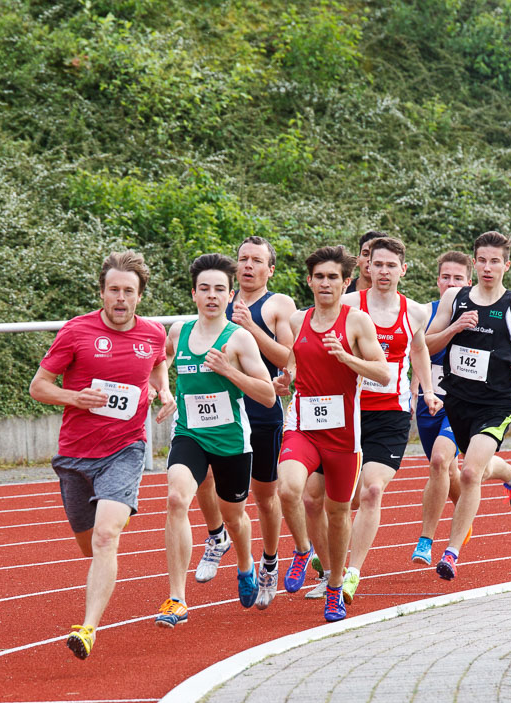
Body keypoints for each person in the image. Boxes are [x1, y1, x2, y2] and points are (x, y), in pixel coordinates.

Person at [29, 250, 175, 660]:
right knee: (90, 545)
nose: (121, 298)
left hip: (125, 449)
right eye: (114, 290)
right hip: (75, 455)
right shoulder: (76, 332)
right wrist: (75, 397)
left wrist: (163, 390)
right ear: (102, 292)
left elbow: (157, 365)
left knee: (107, 535)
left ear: (140, 296)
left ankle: (88, 628)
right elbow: (38, 387)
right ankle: (103, 562)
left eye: (129, 291)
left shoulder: (152, 334)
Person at [156, 252, 276, 628]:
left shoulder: (238, 339)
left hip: (231, 441)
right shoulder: (179, 331)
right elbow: (159, 361)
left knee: (235, 515)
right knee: (177, 498)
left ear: (230, 296)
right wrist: (163, 392)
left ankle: (244, 564)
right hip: (189, 433)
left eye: (219, 289)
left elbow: (269, 396)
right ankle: (177, 599)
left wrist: (228, 371)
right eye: (204, 288)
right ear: (193, 294)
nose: (211, 295)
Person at [274, 245, 390, 622]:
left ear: (345, 282)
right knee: (288, 489)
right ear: (309, 281)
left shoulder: (357, 322)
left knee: (338, 513)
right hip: (303, 425)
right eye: (319, 277)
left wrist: (346, 357)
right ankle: (304, 548)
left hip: (343, 434)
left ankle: (335, 587)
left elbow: (383, 373)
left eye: (332, 277)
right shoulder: (296, 320)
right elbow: (294, 360)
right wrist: (286, 378)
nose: (325, 283)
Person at [425, 230, 511, 580]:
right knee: (478, 468)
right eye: (482, 260)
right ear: (474, 261)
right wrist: (454, 329)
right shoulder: (455, 297)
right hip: (459, 400)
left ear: (506, 265)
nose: (488, 267)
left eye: (495, 261)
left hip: (497, 403)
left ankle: (450, 553)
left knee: (467, 472)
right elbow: (428, 343)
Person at [335, 236, 442, 603]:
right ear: (367, 267)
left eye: (390, 266)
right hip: (348, 410)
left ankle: (352, 573)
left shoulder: (415, 311)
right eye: (377, 264)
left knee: (373, 490)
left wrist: (426, 390)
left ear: (403, 269)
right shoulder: (349, 305)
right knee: (341, 497)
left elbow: (419, 349)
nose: (383, 271)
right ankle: (326, 547)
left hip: (392, 414)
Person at [193, 236, 296, 610]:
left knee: (265, 495)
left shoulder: (278, 305)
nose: (248, 265)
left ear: (270, 269)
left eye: (257, 260)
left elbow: (291, 356)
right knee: (201, 476)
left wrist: (252, 328)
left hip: (260, 407)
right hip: (218, 411)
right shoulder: (217, 298)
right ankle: (217, 534)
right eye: (243, 259)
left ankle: (269, 562)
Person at [411, 251, 474, 565]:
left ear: (469, 282)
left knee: (439, 461)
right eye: (446, 277)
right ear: (438, 281)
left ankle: (425, 541)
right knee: (449, 472)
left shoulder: (481, 314)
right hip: (429, 402)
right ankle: (507, 477)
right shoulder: (424, 313)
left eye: (458, 278)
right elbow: (420, 349)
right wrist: (413, 392)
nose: (451, 283)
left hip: (463, 405)